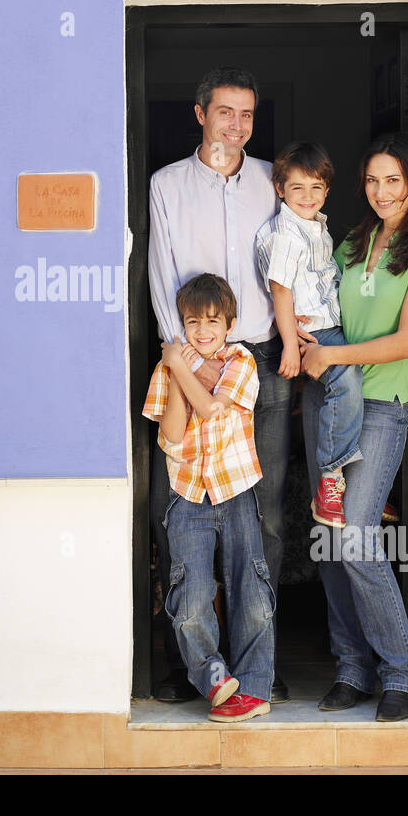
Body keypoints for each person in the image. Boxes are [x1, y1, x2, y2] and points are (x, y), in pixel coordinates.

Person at [147, 67, 291, 703]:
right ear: (200, 114)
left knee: (265, 515)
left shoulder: (270, 181)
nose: (237, 126)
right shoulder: (167, 186)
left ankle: (257, 666)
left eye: (247, 115)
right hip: (189, 353)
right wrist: (181, 357)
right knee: (180, 508)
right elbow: (161, 275)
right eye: (225, 112)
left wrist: (297, 336)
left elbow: (297, 259)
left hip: (257, 358)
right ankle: (196, 666)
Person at [297, 132, 408, 722]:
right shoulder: (352, 241)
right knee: (331, 541)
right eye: (372, 180)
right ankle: (352, 669)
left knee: (357, 535)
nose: (381, 191)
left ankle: (400, 673)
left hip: (383, 406)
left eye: (393, 180)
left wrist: (332, 358)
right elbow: (322, 310)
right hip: (330, 405)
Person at [142, 273, 275, 722]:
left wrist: (180, 366)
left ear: (230, 324)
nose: (202, 331)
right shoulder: (168, 370)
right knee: (190, 593)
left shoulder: (242, 361)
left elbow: (214, 409)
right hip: (187, 496)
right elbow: (174, 432)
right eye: (193, 321)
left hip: (235, 489)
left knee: (250, 587)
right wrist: (177, 373)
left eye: (212, 321)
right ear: (182, 324)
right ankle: (214, 677)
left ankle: (255, 688)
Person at [254, 141, 364, 530]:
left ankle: (343, 482)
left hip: (328, 325)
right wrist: (288, 343)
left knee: (345, 386)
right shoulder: (286, 233)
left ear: (327, 191)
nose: (307, 196)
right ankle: (332, 477)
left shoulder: (317, 226)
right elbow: (280, 289)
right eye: (297, 188)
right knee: (347, 380)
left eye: (316, 187)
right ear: (280, 189)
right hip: (311, 334)